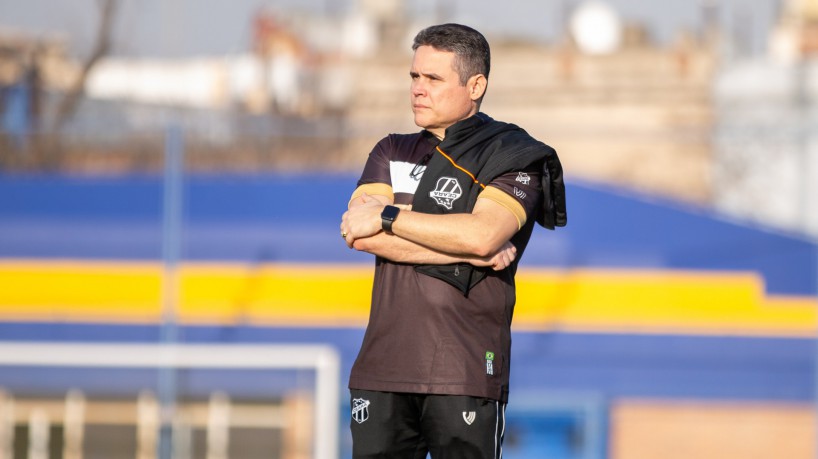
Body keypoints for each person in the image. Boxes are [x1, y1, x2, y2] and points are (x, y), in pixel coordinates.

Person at [340, 23, 566, 458]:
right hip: (381, 369)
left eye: (433, 79)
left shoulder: (514, 156)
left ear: (475, 85)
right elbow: (357, 233)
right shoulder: (391, 150)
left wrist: (389, 216)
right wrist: (464, 248)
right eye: (414, 77)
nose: (418, 90)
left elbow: (483, 236)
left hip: (463, 371)